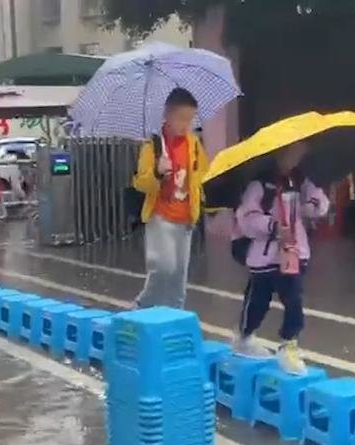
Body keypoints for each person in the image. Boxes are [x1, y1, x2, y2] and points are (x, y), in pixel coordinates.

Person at [231, 142, 329, 374]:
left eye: (300, 153)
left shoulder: (299, 180)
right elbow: (246, 218)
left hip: (294, 253)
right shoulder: (260, 184)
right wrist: (273, 226)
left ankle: (289, 343)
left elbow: (320, 202)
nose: (295, 158)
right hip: (264, 257)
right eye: (291, 152)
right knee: (257, 301)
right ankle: (244, 336)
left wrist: (311, 206)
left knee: (294, 299)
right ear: (278, 151)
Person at [131, 88, 209, 309]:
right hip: (161, 215)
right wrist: (157, 171)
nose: (186, 124)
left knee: (178, 279)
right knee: (164, 267)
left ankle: (176, 318)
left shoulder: (193, 144)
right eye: (182, 118)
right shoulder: (153, 145)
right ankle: (143, 304)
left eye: (190, 119)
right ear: (167, 115)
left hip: (186, 218)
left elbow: (202, 174)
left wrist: (206, 198)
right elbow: (140, 183)